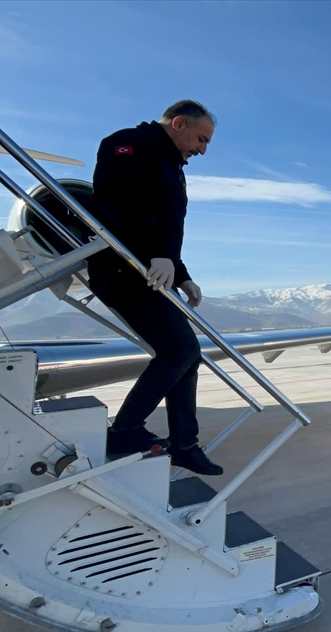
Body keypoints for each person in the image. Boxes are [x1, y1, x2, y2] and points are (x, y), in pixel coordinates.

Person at [87, 100, 221, 476]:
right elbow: (121, 210)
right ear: (178, 123)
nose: (202, 149)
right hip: (123, 269)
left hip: (151, 272)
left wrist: (181, 274)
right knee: (181, 350)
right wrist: (159, 255)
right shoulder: (127, 145)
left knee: (186, 355)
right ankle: (126, 429)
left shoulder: (171, 163)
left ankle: (184, 445)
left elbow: (165, 225)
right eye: (200, 138)